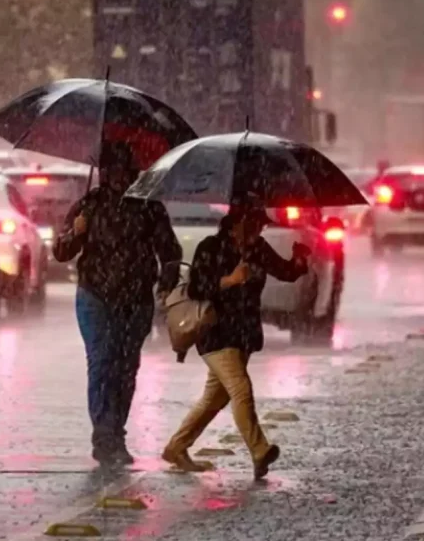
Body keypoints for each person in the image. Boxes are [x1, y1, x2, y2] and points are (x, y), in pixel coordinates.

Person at [53, 141, 182, 466]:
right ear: (103, 172)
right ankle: (104, 436)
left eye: (125, 171)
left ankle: (116, 432)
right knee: (102, 361)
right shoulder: (89, 206)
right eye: (112, 171)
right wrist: (75, 233)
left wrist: (166, 283)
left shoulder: (149, 207)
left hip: (135, 300)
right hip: (95, 296)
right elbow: (61, 253)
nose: (119, 178)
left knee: (126, 368)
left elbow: (169, 250)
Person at [161, 198, 310, 479]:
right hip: (215, 333)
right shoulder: (210, 247)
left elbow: (286, 272)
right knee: (241, 389)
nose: (259, 231)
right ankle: (259, 450)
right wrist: (229, 280)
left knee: (214, 399)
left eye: (262, 226)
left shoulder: (257, 249)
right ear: (238, 224)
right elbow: (196, 289)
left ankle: (176, 447)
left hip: (243, 333)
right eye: (255, 225)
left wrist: (300, 260)